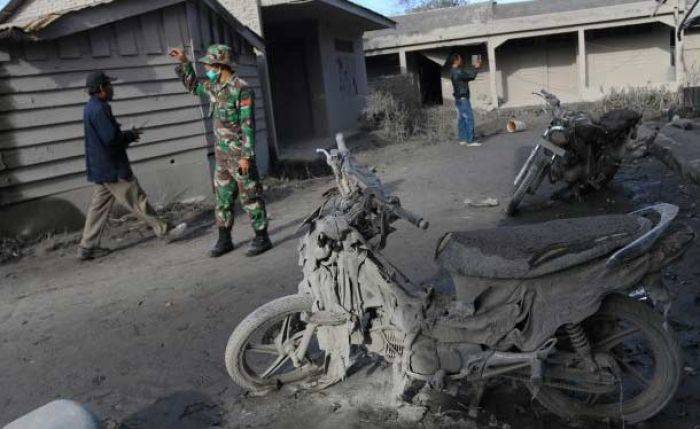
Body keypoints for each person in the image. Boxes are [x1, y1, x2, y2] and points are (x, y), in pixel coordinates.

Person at [169, 45, 272, 258]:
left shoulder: (241, 89)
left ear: (220, 65)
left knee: (250, 198)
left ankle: (262, 237)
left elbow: (247, 125)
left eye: (208, 64)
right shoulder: (214, 86)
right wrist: (184, 63)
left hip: (239, 157)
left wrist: (246, 156)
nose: (206, 68)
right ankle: (224, 240)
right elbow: (192, 86)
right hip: (222, 157)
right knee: (222, 200)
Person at [78, 71, 187, 260]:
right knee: (138, 200)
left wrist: (128, 135)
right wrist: (129, 136)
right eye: (109, 85)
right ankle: (165, 230)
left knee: (98, 208)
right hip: (113, 167)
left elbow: (106, 137)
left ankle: (87, 247)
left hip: (100, 168)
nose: (112, 88)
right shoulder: (101, 109)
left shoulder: (90, 108)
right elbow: (110, 138)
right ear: (101, 88)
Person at [450, 53, 482, 147]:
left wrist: (473, 68)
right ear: (456, 60)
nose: (461, 60)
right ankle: (470, 141)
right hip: (463, 98)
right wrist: (476, 67)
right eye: (460, 59)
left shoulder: (452, 71)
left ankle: (463, 139)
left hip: (457, 98)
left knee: (462, 119)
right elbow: (471, 76)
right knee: (469, 118)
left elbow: (466, 76)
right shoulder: (458, 72)